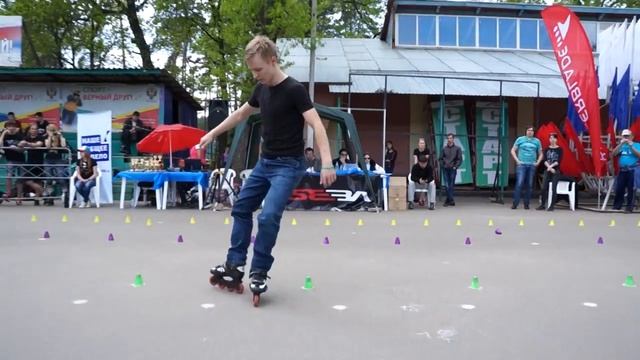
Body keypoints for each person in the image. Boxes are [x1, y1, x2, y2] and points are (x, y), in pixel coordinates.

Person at [198, 35, 336, 304]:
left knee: (269, 215)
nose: (255, 75)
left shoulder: (294, 90)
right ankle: (234, 264)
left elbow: (318, 125)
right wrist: (212, 134)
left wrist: (327, 162)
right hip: (265, 163)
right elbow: (240, 114)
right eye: (251, 70)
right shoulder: (261, 90)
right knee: (241, 208)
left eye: (259, 69)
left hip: (289, 165)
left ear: (273, 61)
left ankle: (259, 270)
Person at [510, 126, 542, 210]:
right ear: (526, 131)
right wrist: (517, 160)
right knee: (519, 183)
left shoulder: (537, 141)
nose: (530, 132)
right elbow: (513, 150)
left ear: (534, 132)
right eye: (528, 130)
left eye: (532, 131)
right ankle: (515, 203)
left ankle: (526, 204)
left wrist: (538, 162)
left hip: (531, 165)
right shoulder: (520, 139)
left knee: (529, 185)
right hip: (522, 165)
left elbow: (541, 153)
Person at [612, 129, 640, 213]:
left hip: (633, 169)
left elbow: (639, 155)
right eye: (624, 136)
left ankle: (629, 207)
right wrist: (620, 144)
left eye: (627, 136)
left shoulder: (637, 144)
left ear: (632, 137)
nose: (626, 138)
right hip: (622, 170)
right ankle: (617, 206)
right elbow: (613, 154)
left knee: (632, 188)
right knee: (619, 188)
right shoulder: (621, 146)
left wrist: (631, 146)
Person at [19, 124, 46, 205]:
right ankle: (45, 193)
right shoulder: (27, 137)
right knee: (26, 180)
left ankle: (37, 199)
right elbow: (20, 145)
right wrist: (22, 143)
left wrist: (27, 143)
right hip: (29, 162)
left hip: (39, 162)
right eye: (32, 129)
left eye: (35, 129)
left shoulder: (40, 137)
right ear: (29, 130)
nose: (34, 130)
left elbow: (38, 145)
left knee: (38, 180)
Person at [0, 120, 25, 203]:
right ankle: (8, 194)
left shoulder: (19, 135)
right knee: (8, 176)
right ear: (6, 127)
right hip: (10, 159)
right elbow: (0, 144)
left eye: (12, 126)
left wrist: (16, 148)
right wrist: (3, 133)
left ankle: (19, 197)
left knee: (20, 179)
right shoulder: (5, 136)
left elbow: (22, 150)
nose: (11, 128)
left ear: (15, 127)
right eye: (9, 126)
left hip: (20, 159)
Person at [44, 124, 69, 204]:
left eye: (53, 130)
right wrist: (50, 137)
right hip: (48, 159)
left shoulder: (60, 137)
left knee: (61, 177)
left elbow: (64, 145)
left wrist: (60, 136)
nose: (52, 132)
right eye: (49, 130)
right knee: (48, 178)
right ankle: (50, 196)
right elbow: (47, 146)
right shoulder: (45, 137)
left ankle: (65, 194)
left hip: (58, 159)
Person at [537, 133, 563, 211]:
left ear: (556, 139)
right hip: (547, 170)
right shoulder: (547, 149)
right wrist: (548, 167)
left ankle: (552, 206)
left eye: (553, 138)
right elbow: (544, 160)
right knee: (543, 188)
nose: (552, 140)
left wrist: (551, 167)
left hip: (555, 170)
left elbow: (559, 161)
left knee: (554, 188)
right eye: (550, 138)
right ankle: (542, 205)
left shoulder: (559, 149)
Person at [438, 133, 462, 206]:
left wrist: (455, 166)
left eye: (451, 138)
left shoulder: (457, 148)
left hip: (452, 169)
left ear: (453, 139)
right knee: (446, 184)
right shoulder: (444, 149)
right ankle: (451, 200)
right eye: (448, 138)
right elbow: (440, 159)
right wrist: (443, 165)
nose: (449, 139)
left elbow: (459, 159)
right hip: (445, 168)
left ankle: (448, 200)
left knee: (451, 184)